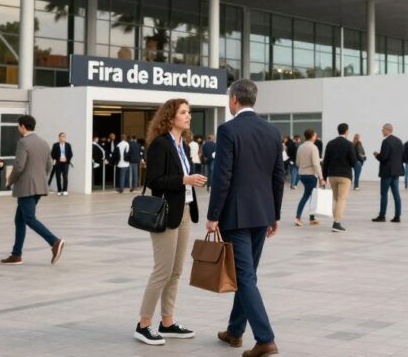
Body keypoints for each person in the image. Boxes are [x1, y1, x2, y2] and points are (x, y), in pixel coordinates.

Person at [207, 79, 284, 357]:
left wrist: (213, 215)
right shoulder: (272, 131)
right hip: (262, 214)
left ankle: (265, 338)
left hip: (236, 216)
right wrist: (274, 215)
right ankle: (235, 331)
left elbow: (222, 175)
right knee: (247, 275)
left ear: (234, 100)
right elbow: (278, 176)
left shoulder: (228, 130)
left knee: (246, 277)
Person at [133, 98, 208, 345]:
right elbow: (154, 181)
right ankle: (143, 324)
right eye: (183, 112)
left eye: (189, 112)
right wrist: (184, 180)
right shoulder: (160, 145)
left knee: (176, 271)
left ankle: (167, 322)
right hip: (165, 212)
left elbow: (180, 177)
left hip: (184, 210)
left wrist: (190, 182)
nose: (188, 116)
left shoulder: (183, 145)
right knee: (162, 270)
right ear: (170, 116)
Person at [0, 115, 65, 266]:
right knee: (20, 219)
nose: (18, 128)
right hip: (39, 186)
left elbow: (19, 166)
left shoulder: (23, 142)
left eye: (18, 126)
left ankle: (54, 241)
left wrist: (10, 181)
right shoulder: (43, 142)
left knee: (29, 218)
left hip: (26, 187)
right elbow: (49, 166)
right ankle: (16, 255)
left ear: (22, 126)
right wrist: (39, 178)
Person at [322, 123, 357, 233]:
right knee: (342, 199)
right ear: (346, 131)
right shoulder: (349, 144)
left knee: (336, 199)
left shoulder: (330, 143)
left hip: (332, 175)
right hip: (345, 176)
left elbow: (325, 161)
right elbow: (353, 162)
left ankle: (336, 221)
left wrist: (323, 177)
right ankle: (336, 223)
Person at [372, 124, 404, 223]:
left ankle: (382, 216)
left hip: (387, 172)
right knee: (396, 194)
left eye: (383, 130)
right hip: (396, 172)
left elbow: (384, 157)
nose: (382, 131)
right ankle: (397, 216)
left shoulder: (386, 142)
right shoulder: (399, 141)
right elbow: (402, 156)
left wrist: (377, 155)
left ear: (387, 130)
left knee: (384, 194)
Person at [294, 129, 325, 226]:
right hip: (311, 175)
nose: (316, 137)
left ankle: (312, 218)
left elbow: (297, 163)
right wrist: (321, 178)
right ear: (311, 136)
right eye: (315, 135)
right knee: (306, 196)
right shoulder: (313, 147)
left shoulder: (300, 147)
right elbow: (316, 164)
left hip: (302, 175)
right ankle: (298, 217)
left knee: (311, 196)